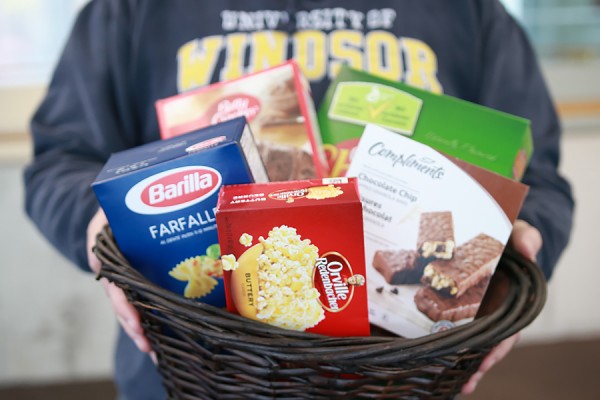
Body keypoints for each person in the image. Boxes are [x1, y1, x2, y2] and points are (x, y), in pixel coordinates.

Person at [24, 1, 574, 399]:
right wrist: (104, 227)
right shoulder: (130, 11)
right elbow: (58, 161)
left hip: (403, 375)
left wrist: (518, 248)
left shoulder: (470, 14)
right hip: (192, 369)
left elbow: (542, 181)